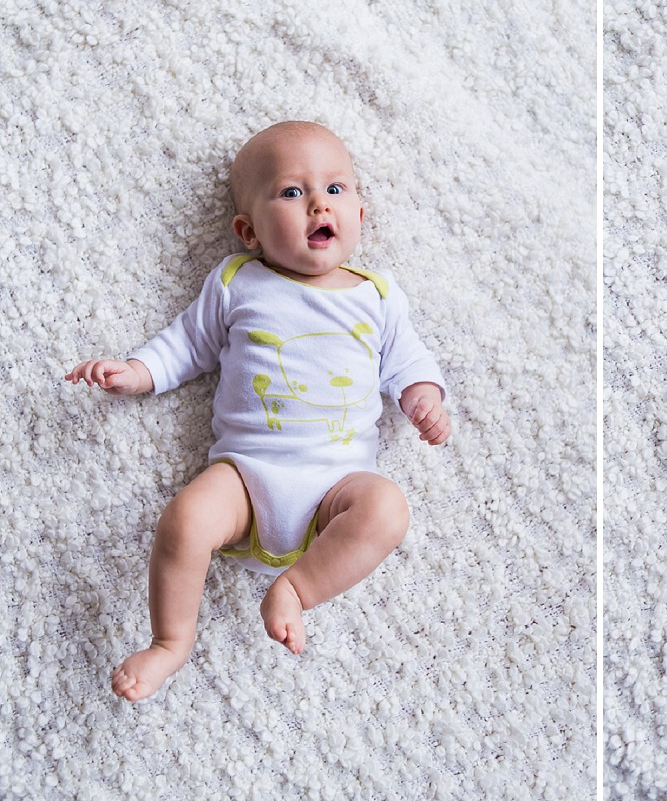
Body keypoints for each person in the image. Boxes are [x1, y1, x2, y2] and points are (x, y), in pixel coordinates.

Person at [65, 121, 450, 702]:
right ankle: (170, 642)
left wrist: (423, 396)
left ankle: (298, 588)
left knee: (388, 509)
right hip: (246, 479)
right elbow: (187, 345)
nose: (319, 202)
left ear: (361, 218)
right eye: (292, 192)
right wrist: (138, 373)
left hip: (334, 492)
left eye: (336, 189)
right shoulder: (238, 280)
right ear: (249, 231)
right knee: (185, 521)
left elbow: (409, 361)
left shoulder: (377, 295)